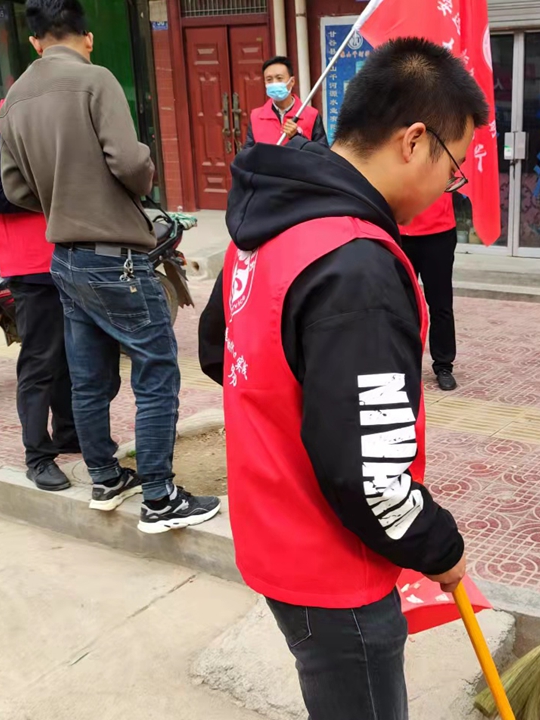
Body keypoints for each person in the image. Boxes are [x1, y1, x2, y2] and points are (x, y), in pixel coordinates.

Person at [197, 38, 486, 719]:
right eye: (454, 167)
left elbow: (218, 350)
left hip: (273, 534)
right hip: (332, 567)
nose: (451, 189)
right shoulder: (355, 264)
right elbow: (370, 476)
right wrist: (439, 546)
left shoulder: (268, 221)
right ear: (414, 140)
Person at [0, 0, 219, 532]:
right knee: (157, 372)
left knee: (89, 378)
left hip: (65, 258)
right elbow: (131, 163)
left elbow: (14, 188)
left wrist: (63, 198)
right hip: (115, 257)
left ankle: (105, 477)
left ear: (34, 41)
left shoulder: (14, 99)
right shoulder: (95, 81)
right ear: (88, 37)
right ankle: (160, 498)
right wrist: (131, 179)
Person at [0, 100, 78, 491]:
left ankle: (68, 432)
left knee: (71, 354)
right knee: (40, 359)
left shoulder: (53, 121)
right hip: (31, 264)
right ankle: (38, 456)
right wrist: (61, 187)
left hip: (70, 255)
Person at [400, 195, 459, 391]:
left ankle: (443, 366)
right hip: (400, 230)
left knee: (441, 304)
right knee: (401, 304)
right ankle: (403, 363)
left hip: (438, 231)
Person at [244, 55, 328, 148]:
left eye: (279, 78)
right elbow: (248, 152)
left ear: (292, 81)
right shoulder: (256, 117)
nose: (274, 83)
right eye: (269, 80)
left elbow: (322, 152)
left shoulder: (311, 115)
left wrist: (297, 137)